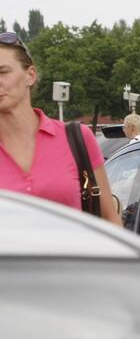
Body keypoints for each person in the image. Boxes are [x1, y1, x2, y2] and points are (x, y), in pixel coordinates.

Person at [0, 31, 121, 225]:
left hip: (76, 255)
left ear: (30, 75)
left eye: (3, 72)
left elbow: (109, 219)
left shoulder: (76, 138)